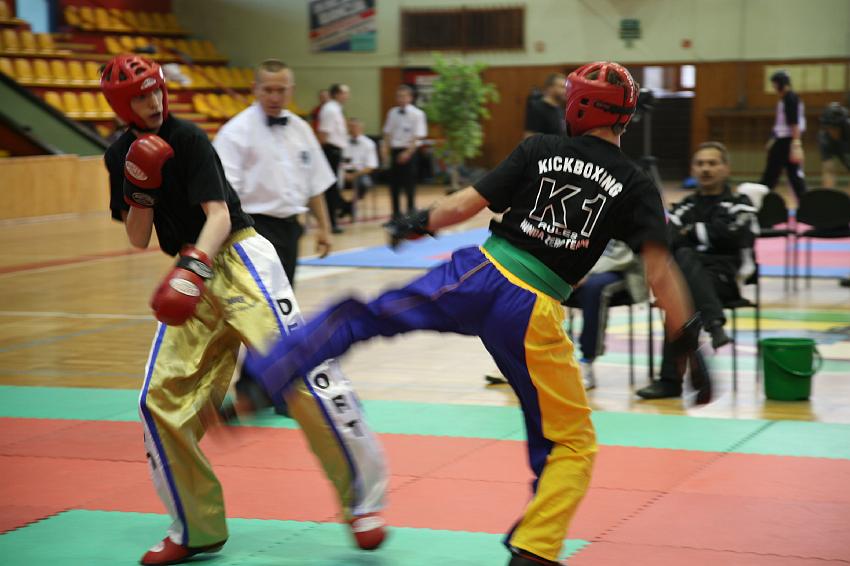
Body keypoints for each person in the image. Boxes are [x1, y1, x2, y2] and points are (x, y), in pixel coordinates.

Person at [221, 61, 712, 566]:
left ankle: (263, 379)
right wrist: (688, 340)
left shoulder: (540, 148)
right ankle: (534, 549)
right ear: (626, 117)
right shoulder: (635, 182)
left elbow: (466, 205)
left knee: (363, 315)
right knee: (571, 443)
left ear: (576, 107)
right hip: (533, 314)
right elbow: (660, 272)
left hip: (476, 275)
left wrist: (418, 222)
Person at [99, 55, 387, 565]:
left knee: (299, 369)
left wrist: (195, 268)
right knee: (158, 400)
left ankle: (363, 503)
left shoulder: (188, 138)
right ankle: (196, 527)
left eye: (155, 90)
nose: (153, 101)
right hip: (191, 272)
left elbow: (217, 215)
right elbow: (138, 237)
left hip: (236, 255)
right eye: (140, 97)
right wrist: (140, 187)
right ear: (122, 105)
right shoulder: (119, 154)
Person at [637, 141, 758, 400]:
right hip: (698, 283)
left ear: (726, 168)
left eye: (712, 163)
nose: (706, 169)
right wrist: (706, 236)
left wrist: (690, 231)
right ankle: (714, 325)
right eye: (700, 164)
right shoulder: (685, 206)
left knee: (679, 293)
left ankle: (670, 381)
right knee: (683, 266)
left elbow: (735, 235)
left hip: (724, 280)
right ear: (692, 170)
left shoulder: (740, 203)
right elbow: (669, 237)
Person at [213, 59, 333, 288]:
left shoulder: (301, 129)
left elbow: (314, 184)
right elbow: (222, 195)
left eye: (281, 90)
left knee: (285, 301)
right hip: (251, 231)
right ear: (255, 89)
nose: (275, 97)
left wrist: (324, 228)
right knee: (261, 303)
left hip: (291, 230)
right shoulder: (235, 132)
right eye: (268, 90)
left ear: (291, 90)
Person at [568, 240, 647, 390]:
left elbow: (624, 255)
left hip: (619, 269)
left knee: (592, 289)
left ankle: (587, 361)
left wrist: (585, 272)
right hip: (581, 268)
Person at [759, 70, 808, 201]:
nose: (774, 87)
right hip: (784, 140)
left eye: (774, 84)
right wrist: (772, 139)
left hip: (785, 141)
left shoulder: (789, 98)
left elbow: (793, 122)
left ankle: (759, 199)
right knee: (794, 176)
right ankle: (805, 202)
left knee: (771, 175)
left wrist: (796, 144)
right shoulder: (787, 98)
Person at [382, 84, 428, 218]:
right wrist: (385, 149)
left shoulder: (418, 114)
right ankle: (396, 213)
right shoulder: (392, 112)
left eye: (403, 96)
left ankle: (410, 211)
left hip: (410, 151)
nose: (401, 99)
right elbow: (387, 132)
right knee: (394, 184)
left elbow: (418, 136)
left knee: (409, 183)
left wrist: (407, 153)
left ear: (410, 98)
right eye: (398, 96)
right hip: (395, 150)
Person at [317, 83, 352, 232]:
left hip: (335, 151)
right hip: (330, 151)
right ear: (337, 94)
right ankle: (331, 222)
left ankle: (337, 215)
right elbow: (324, 134)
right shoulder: (330, 109)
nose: (347, 96)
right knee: (330, 189)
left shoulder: (335, 109)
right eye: (345, 93)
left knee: (334, 188)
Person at [342, 117, 379, 201]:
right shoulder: (342, 142)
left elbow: (371, 166)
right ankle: (341, 204)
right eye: (350, 126)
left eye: (355, 126)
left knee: (364, 183)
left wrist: (354, 175)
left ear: (361, 128)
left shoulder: (369, 143)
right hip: (344, 172)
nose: (352, 129)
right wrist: (343, 173)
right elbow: (340, 161)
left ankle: (353, 203)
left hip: (360, 173)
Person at [817, 102, 850, 189]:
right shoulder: (824, 138)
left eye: (835, 128)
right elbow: (829, 171)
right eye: (828, 127)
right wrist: (828, 194)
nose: (831, 131)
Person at [524, 73, 567, 138]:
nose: (565, 91)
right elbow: (529, 137)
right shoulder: (537, 108)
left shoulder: (560, 108)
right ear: (550, 88)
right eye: (562, 87)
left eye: (566, 87)